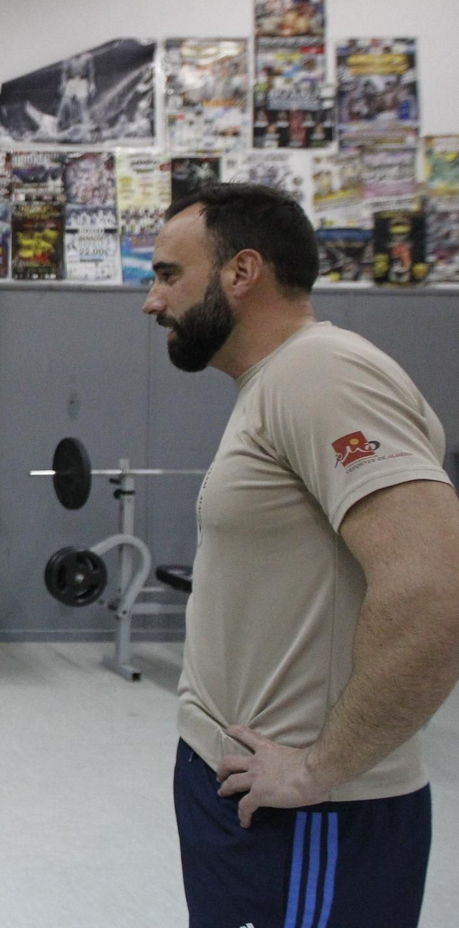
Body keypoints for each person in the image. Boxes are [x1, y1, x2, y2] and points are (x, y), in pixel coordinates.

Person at [142, 183, 459, 928]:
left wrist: (323, 767)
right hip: (245, 791)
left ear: (241, 272)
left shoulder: (322, 372)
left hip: (311, 817)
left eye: (167, 275)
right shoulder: (275, 381)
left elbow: (435, 591)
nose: (153, 302)